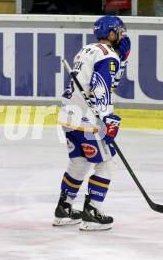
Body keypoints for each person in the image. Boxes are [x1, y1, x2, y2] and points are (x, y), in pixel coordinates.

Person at [54, 15, 131, 231]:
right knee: (105, 164)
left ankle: (64, 209)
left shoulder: (87, 50)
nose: (122, 36)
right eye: (120, 32)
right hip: (90, 120)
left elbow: (96, 79)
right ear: (112, 33)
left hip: (69, 115)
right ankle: (92, 212)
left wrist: (121, 60)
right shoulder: (108, 56)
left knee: (79, 162)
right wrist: (108, 119)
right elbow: (102, 88)